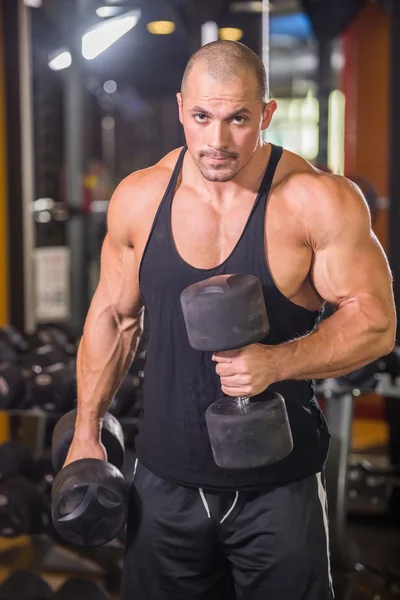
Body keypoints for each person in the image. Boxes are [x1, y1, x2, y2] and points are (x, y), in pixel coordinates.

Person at [64, 41, 396, 599]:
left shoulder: (316, 201)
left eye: (238, 118)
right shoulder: (141, 199)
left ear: (265, 114)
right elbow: (114, 317)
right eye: (201, 117)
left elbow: (376, 322)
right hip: (164, 482)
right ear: (180, 109)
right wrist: (85, 431)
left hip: (279, 489)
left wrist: (278, 361)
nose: (216, 141)